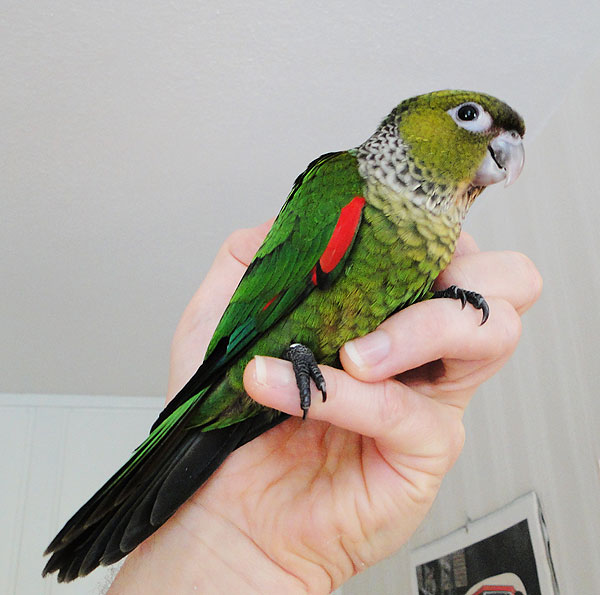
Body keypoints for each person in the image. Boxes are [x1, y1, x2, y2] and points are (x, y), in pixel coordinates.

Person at [107, 221, 542, 594]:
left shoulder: (431, 242)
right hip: (262, 352)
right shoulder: (347, 184)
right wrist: (217, 537)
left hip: (304, 420)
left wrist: (250, 558)